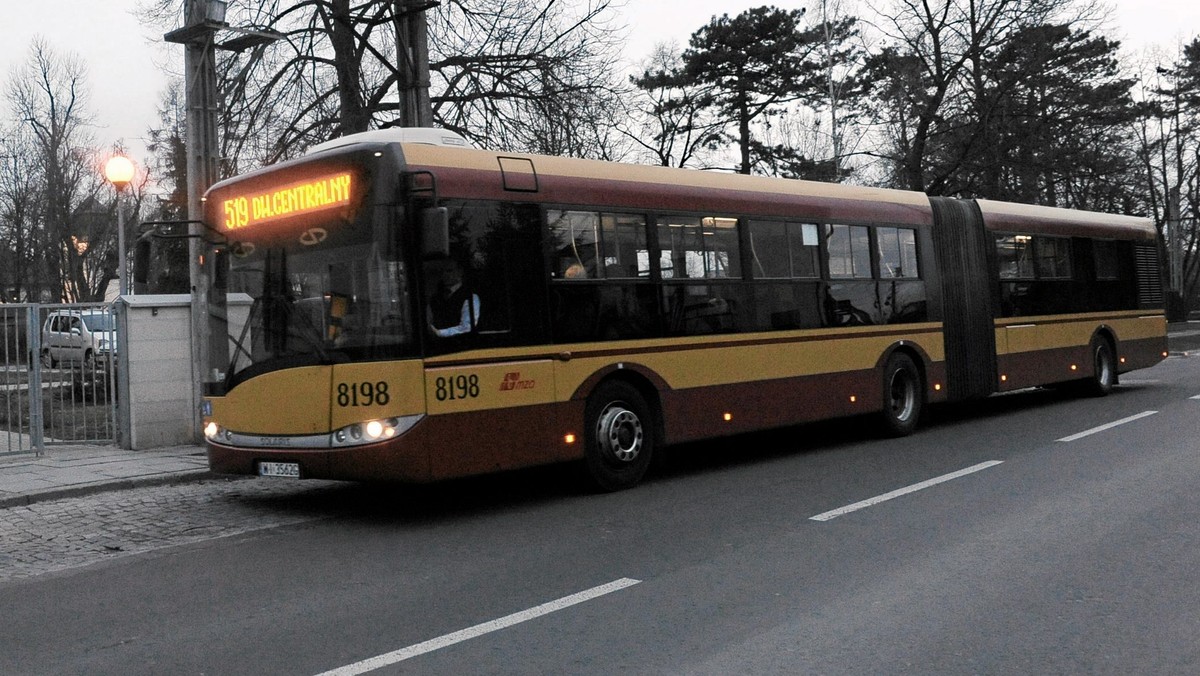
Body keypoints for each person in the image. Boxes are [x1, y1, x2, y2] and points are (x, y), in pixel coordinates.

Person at [427, 257, 481, 338]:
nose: (444, 274)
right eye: (442, 271)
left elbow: (467, 327)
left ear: (460, 272)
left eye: (449, 271)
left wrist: (440, 333)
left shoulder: (470, 297)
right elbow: (429, 321)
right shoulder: (435, 298)